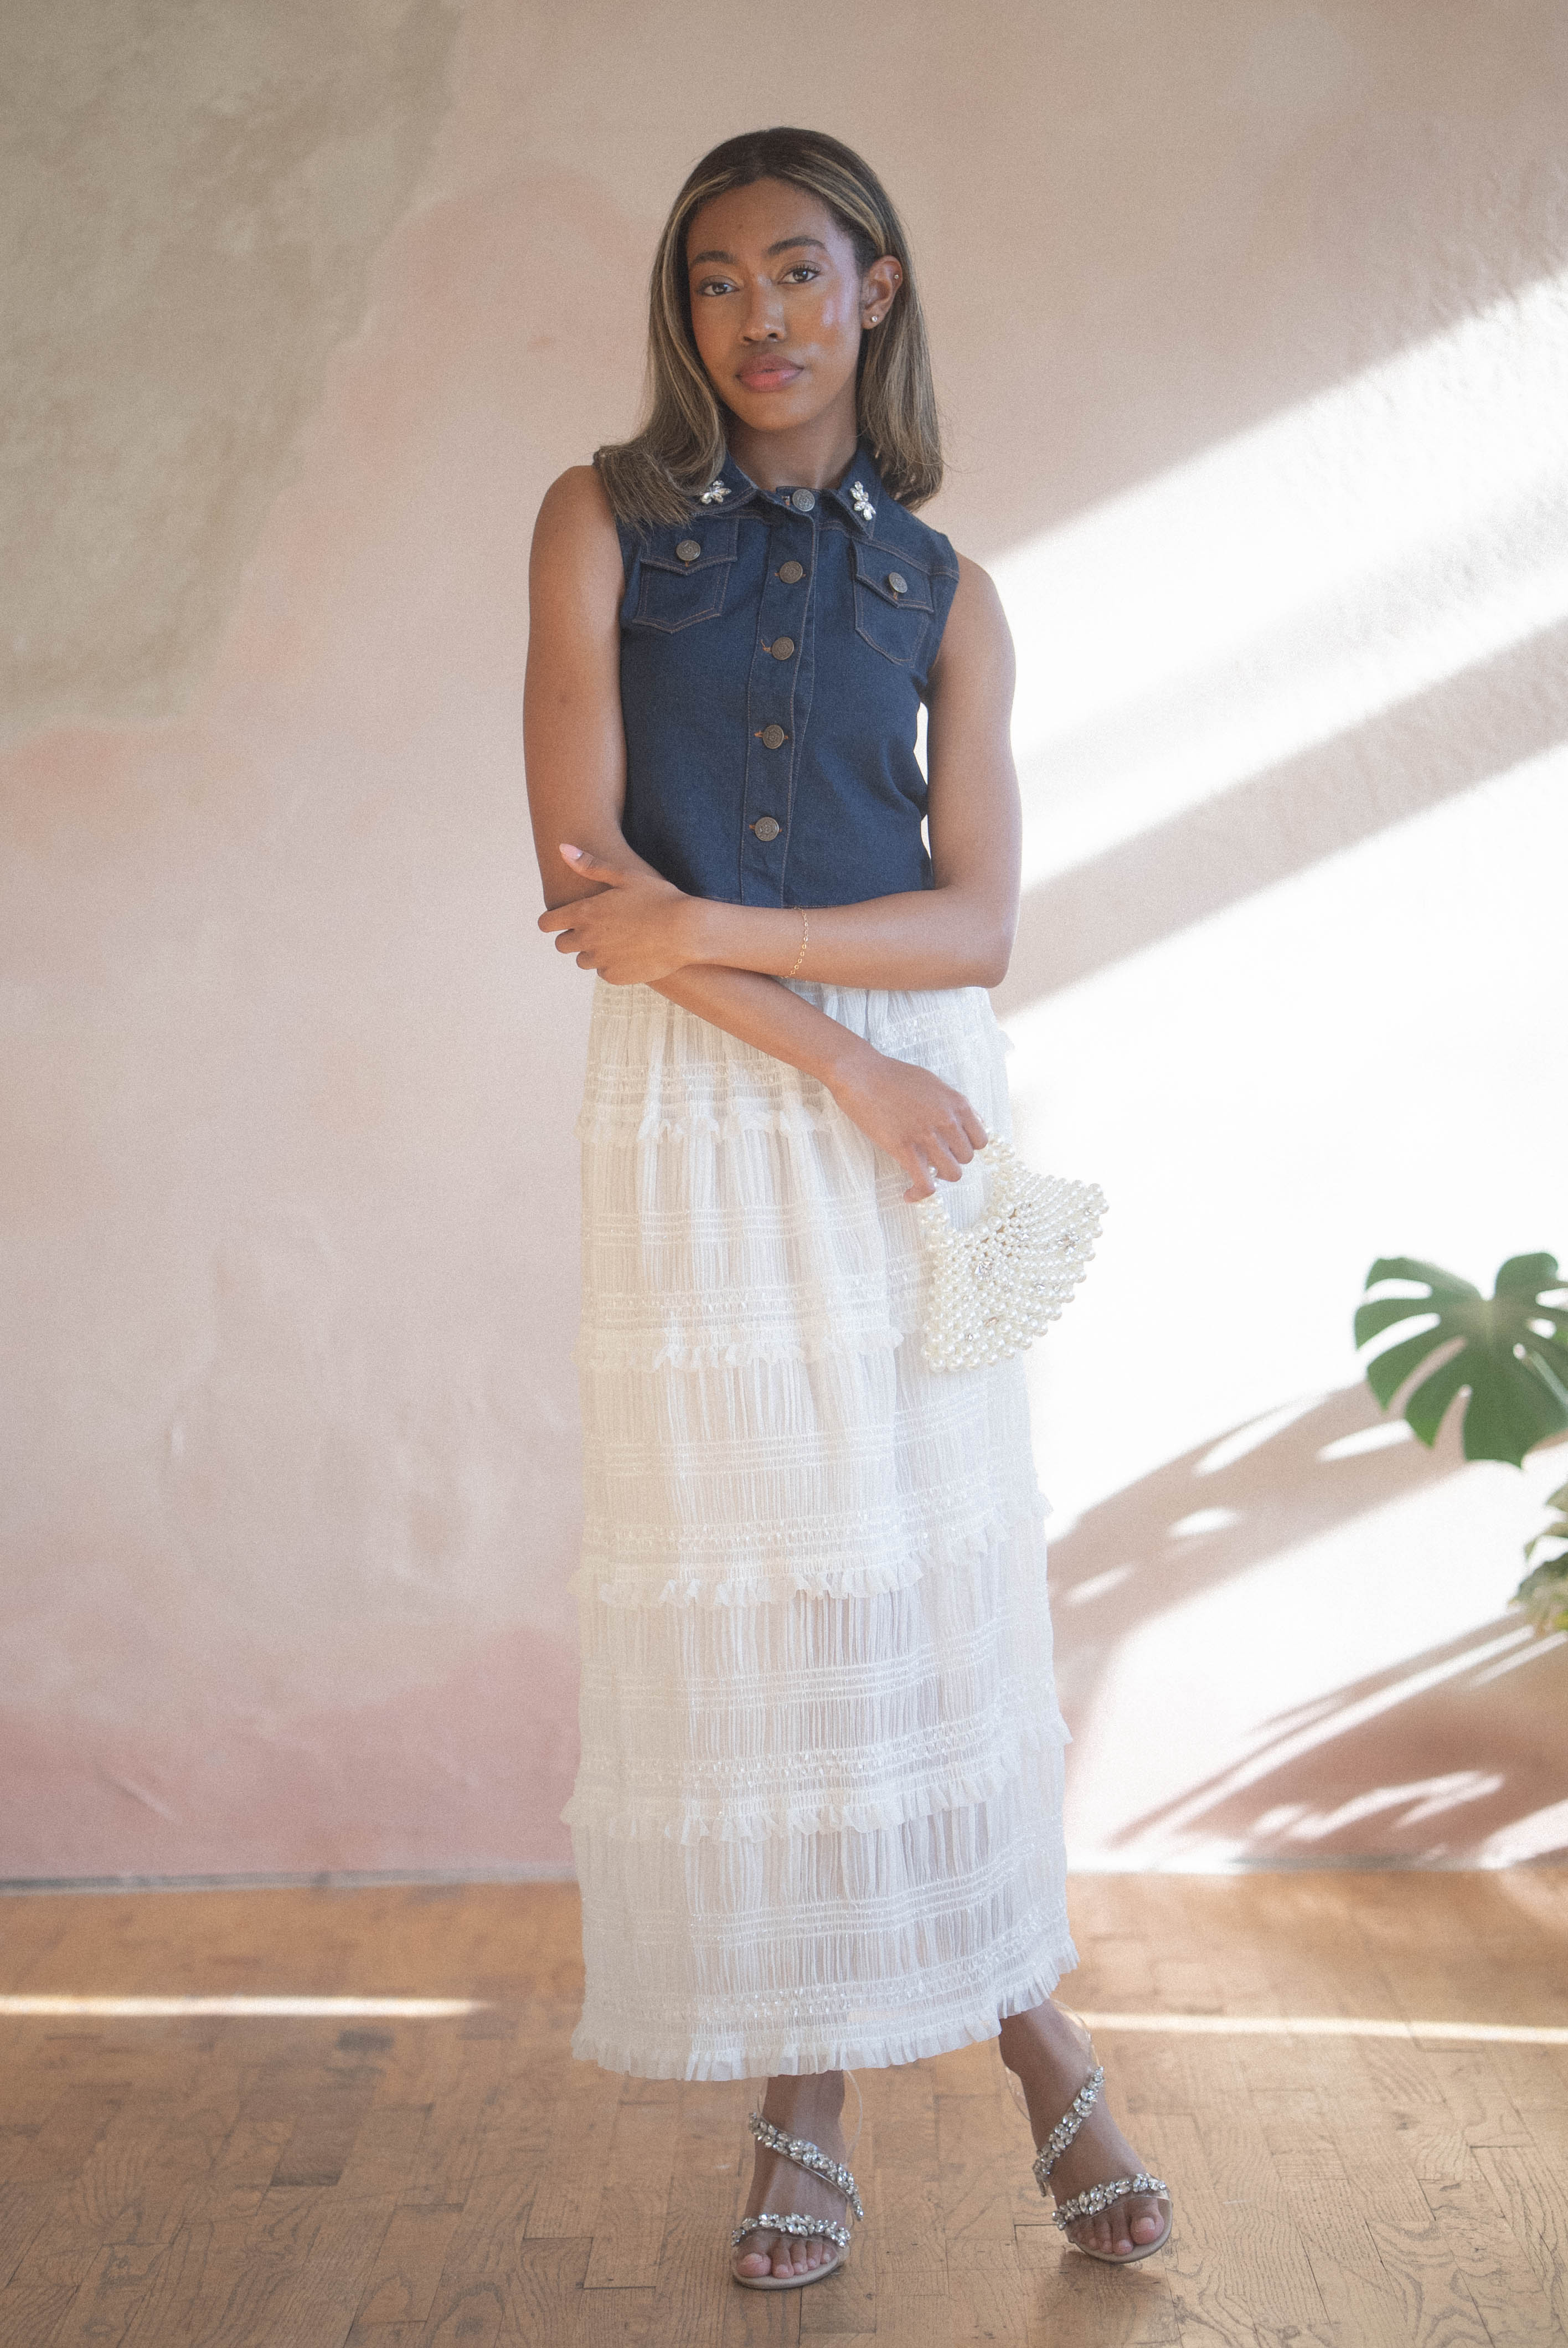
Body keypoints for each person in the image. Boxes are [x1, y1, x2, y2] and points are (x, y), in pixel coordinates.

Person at [523, 125, 1173, 2291]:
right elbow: (592, 895)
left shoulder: (954, 592)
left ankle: (1002, 2052)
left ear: (875, 289)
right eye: (716, 282)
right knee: (777, 1595)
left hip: (926, 1110)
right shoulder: (596, 523)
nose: (760, 318)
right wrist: (825, 1045)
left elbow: (977, 923)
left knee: (928, 1595)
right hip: (711, 1099)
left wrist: (801, 991)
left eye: (799, 272)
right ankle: (852, 2088)